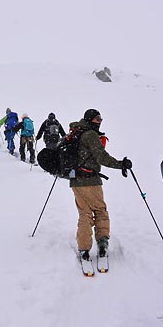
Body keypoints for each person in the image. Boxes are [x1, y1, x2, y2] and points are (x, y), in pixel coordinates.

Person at [68, 109, 132, 261]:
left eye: (101, 118)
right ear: (90, 119)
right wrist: (120, 164)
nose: (100, 121)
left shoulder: (78, 132)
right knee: (100, 210)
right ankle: (102, 243)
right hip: (90, 180)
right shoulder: (90, 135)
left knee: (85, 213)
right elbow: (101, 156)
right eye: (97, 119)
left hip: (76, 180)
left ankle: (84, 248)